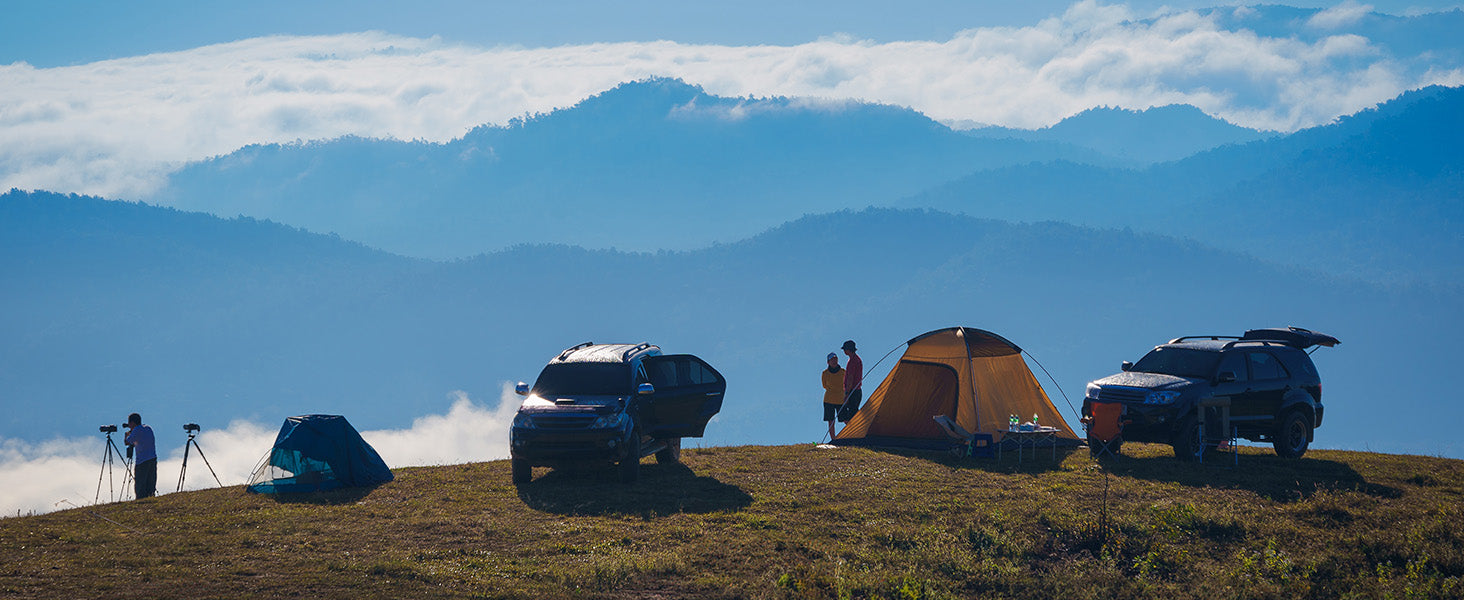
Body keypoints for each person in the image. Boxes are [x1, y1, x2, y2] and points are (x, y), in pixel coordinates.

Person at [123, 412, 157, 499]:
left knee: (140, 484)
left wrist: (127, 435)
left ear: (133, 423)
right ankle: (151, 498)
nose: (129, 426)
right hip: (152, 459)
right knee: (150, 483)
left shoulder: (137, 430)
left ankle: (141, 502)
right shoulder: (148, 428)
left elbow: (127, 442)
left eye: (129, 424)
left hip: (142, 461)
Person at [839, 340, 863, 423]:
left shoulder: (853, 361)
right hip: (857, 391)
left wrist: (847, 394)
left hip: (853, 392)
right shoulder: (856, 359)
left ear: (848, 350)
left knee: (850, 418)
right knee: (851, 415)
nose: (844, 351)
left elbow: (850, 378)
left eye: (845, 349)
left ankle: (856, 434)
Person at [821, 352, 844, 440]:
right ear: (828, 362)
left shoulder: (842, 371)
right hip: (829, 400)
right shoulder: (825, 373)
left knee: (845, 419)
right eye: (832, 359)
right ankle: (833, 439)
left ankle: (853, 435)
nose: (834, 361)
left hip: (841, 399)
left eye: (835, 359)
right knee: (831, 421)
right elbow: (824, 385)